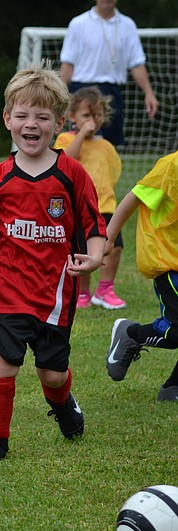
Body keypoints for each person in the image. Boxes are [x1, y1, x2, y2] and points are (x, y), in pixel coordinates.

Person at [0, 62, 107, 465]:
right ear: (8, 119)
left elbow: (95, 225)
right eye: (22, 115)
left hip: (55, 294)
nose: (31, 124)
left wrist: (94, 257)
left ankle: (64, 405)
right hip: (6, 289)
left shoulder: (72, 174)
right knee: (3, 363)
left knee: (51, 373)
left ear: (59, 123)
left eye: (41, 117)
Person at [104, 150, 178, 402]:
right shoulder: (172, 166)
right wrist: (109, 237)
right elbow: (135, 196)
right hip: (168, 260)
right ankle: (131, 334)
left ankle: (172, 389)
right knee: (176, 332)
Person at [54, 86, 125, 309]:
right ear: (72, 116)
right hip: (79, 208)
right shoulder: (66, 139)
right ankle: (82, 293)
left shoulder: (106, 146)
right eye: (86, 115)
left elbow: (114, 172)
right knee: (82, 251)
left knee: (114, 247)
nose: (92, 121)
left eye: (97, 115)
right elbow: (65, 163)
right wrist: (82, 134)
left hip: (106, 206)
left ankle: (105, 289)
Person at [59, 0, 159, 146]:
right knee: (87, 139)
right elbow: (68, 63)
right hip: (82, 91)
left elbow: (136, 63)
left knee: (110, 145)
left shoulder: (128, 25)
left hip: (112, 92)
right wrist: (59, 94)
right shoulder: (78, 23)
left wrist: (149, 93)